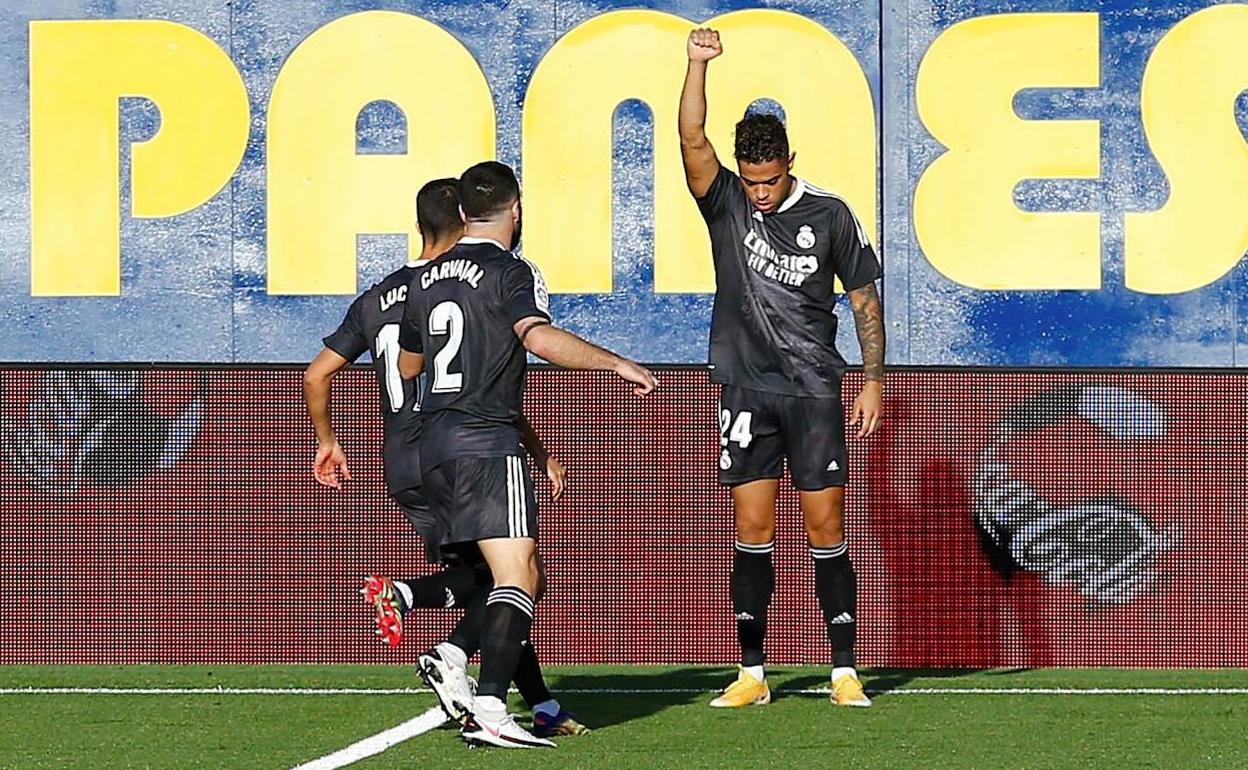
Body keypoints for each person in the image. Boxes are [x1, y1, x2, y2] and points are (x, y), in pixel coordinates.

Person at [303, 177, 588, 739]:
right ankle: (456, 656)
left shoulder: (380, 295)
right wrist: (538, 449)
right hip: (462, 443)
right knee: (513, 576)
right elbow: (480, 384)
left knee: (495, 576)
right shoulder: (466, 283)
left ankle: (537, 700)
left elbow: (318, 373)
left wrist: (327, 440)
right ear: (464, 222)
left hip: (405, 460)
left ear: (419, 226)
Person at [397, 160, 656, 748]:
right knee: (520, 574)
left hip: (430, 446)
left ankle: (455, 652)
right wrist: (615, 362)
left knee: (500, 575)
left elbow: (409, 365)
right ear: (515, 210)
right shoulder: (514, 271)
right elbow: (535, 337)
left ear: (462, 215)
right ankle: (488, 701)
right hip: (487, 442)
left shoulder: (424, 277)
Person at [678, 27, 885, 708]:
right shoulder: (728, 202)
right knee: (752, 528)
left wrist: (874, 379)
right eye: (752, 181)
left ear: (789, 164)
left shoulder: (829, 215)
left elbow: (863, 299)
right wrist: (695, 67)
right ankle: (752, 673)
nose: (760, 193)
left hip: (814, 390)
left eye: (769, 181)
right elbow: (692, 140)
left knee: (826, 527)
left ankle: (844, 670)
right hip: (744, 387)